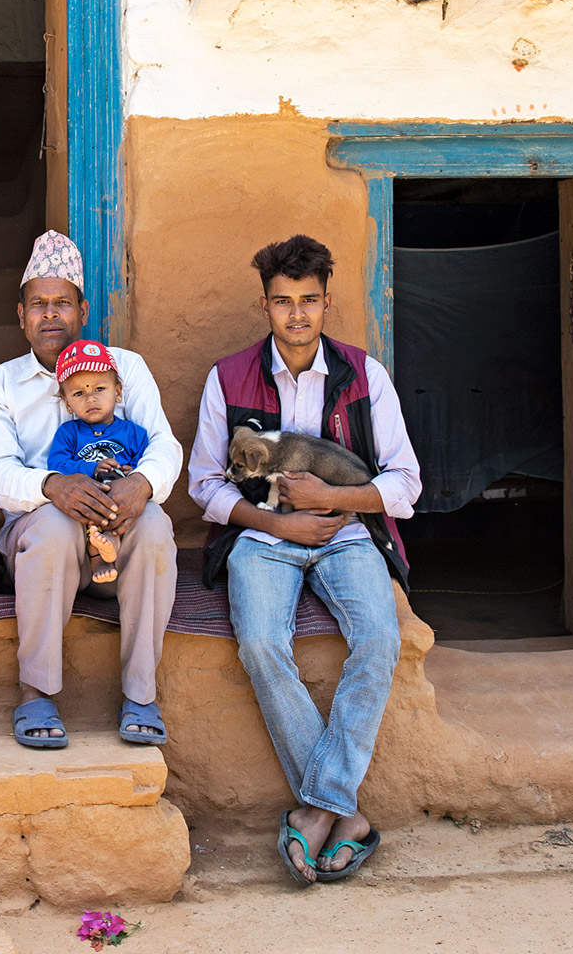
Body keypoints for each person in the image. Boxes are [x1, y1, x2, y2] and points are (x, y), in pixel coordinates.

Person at [187, 235, 421, 885]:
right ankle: (346, 818)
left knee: (379, 636)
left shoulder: (364, 375)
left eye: (309, 301)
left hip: (347, 532)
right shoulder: (227, 377)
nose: (297, 315)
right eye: (284, 302)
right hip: (262, 536)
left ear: (326, 302)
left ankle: (317, 810)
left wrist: (332, 499)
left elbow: (406, 485)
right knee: (261, 642)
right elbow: (204, 485)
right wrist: (279, 521)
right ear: (264, 304)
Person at [0, 230, 183, 749]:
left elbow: (165, 445)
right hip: (45, 543)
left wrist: (143, 483)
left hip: (120, 530)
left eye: (62, 303)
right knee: (51, 523)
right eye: (38, 305)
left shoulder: (125, 368)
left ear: (82, 310)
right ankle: (36, 693)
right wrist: (50, 486)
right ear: (20, 315)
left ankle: (141, 694)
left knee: (156, 525)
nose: (50, 315)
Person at [47, 338, 151, 584]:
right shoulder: (68, 433)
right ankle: (99, 557)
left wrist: (133, 471)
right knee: (86, 516)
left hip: (120, 501)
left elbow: (147, 462)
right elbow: (57, 464)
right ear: (67, 403)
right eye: (79, 393)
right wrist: (90, 467)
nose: (90, 398)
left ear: (117, 392)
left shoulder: (134, 433)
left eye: (99, 389)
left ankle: (107, 549)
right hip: (87, 497)